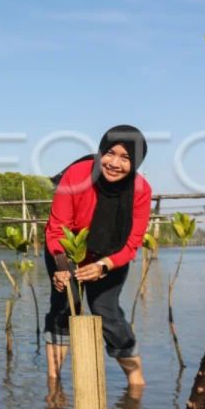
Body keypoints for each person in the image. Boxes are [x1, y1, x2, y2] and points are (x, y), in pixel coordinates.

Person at [43, 125, 151, 388]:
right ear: (101, 151)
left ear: (135, 162)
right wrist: (62, 267)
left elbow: (132, 243)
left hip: (110, 256)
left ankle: (136, 383)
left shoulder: (141, 189)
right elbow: (58, 227)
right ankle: (55, 386)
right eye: (110, 153)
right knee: (65, 306)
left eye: (125, 158)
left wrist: (103, 266)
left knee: (106, 310)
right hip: (67, 251)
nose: (114, 163)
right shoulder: (77, 174)